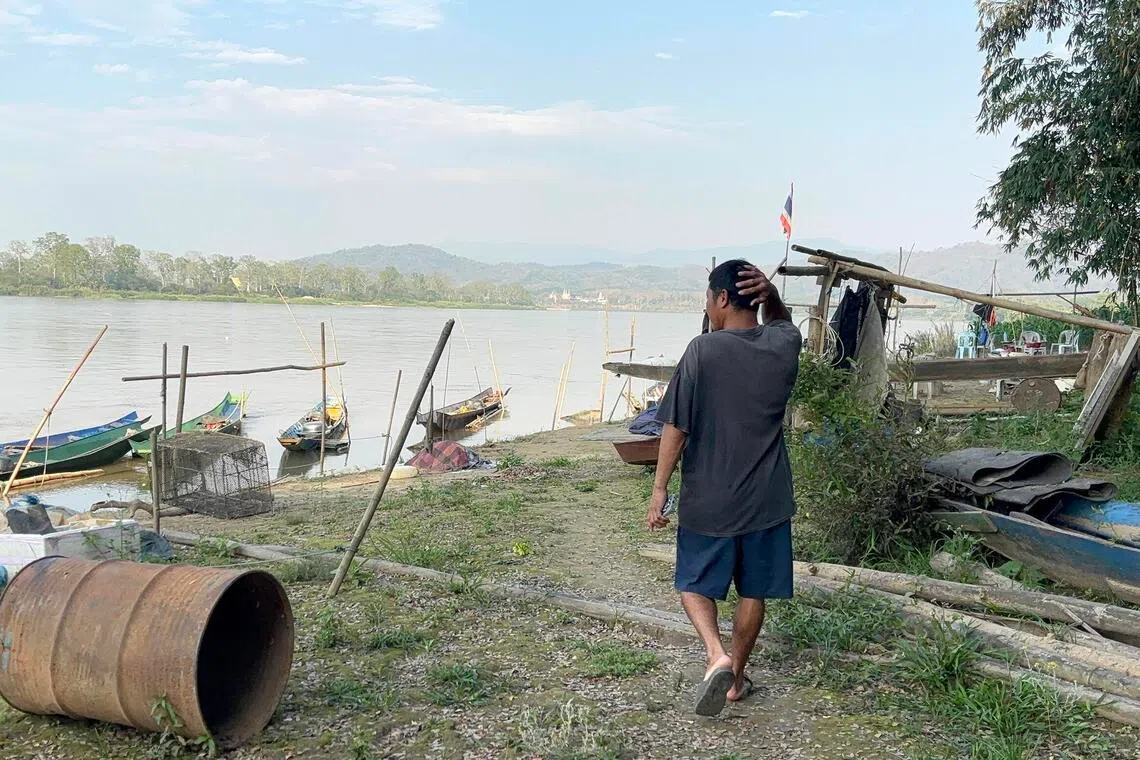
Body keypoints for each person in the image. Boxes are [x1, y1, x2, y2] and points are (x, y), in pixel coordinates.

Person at [646, 259, 800, 717]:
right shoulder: (783, 343)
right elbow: (783, 322)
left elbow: (676, 427)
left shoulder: (702, 351)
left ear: (722, 298)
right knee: (754, 590)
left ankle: (717, 655)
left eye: (708, 301)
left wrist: (659, 489)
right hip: (768, 499)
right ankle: (736, 681)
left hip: (709, 499)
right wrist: (773, 296)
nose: (708, 310)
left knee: (693, 583)